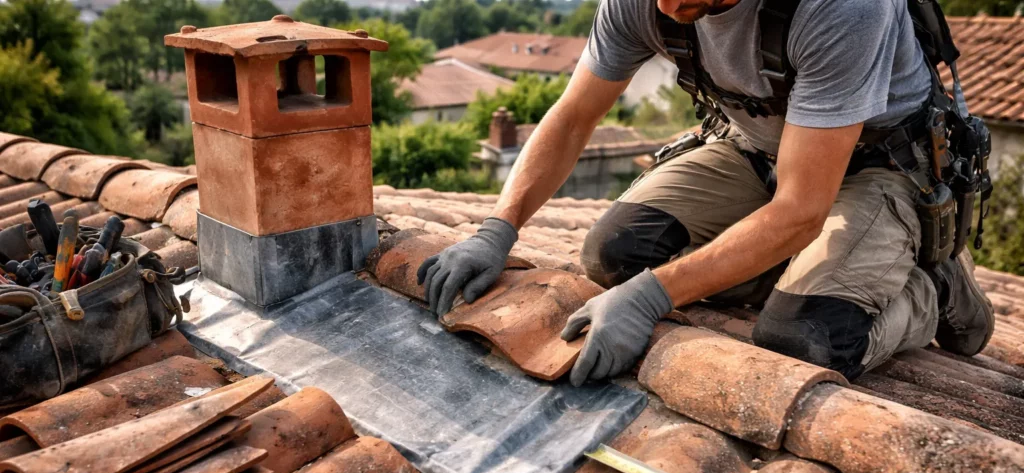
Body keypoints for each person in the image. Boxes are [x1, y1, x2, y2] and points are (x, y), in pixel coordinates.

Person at [416, 0, 995, 387]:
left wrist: (654, 298)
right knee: (618, 255)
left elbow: (801, 208)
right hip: (755, 145)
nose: (668, 7)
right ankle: (810, 269)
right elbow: (572, 118)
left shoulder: (841, 7)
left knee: (805, 336)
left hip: (879, 165)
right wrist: (499, 228)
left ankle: (926, 284)